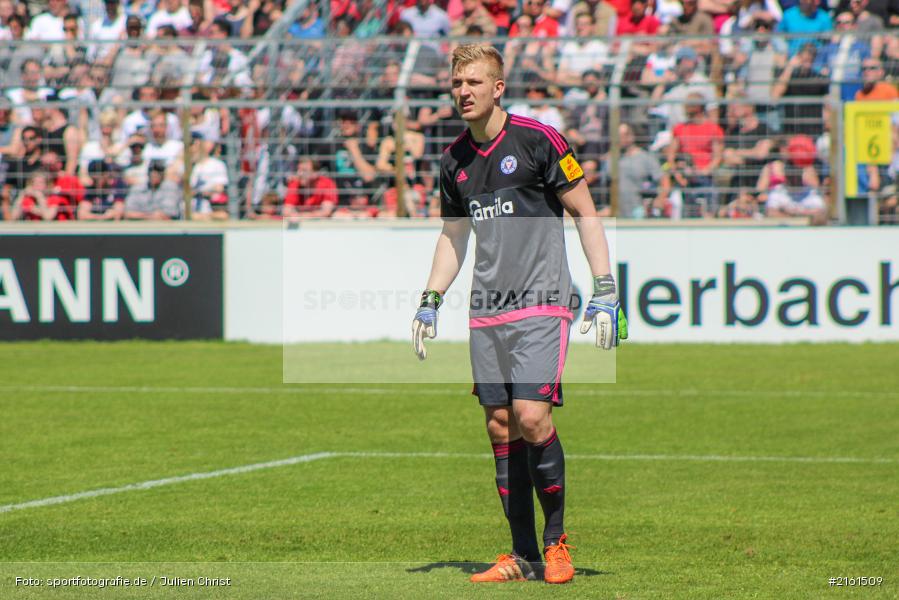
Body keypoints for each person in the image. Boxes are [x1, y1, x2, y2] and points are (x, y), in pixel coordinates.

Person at [411, 44, 627, 585]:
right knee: (499, 425)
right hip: (487, 311)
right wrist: (430, 298)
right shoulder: (454, 161)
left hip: (541, 302)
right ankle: (522, 554)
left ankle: (556, 545)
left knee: (532, 417)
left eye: (474, 82)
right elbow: (453, 238)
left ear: (498, 87)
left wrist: (605, 290)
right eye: (457, 82)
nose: (463, 91)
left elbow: (586, 214)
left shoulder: (538, 140)